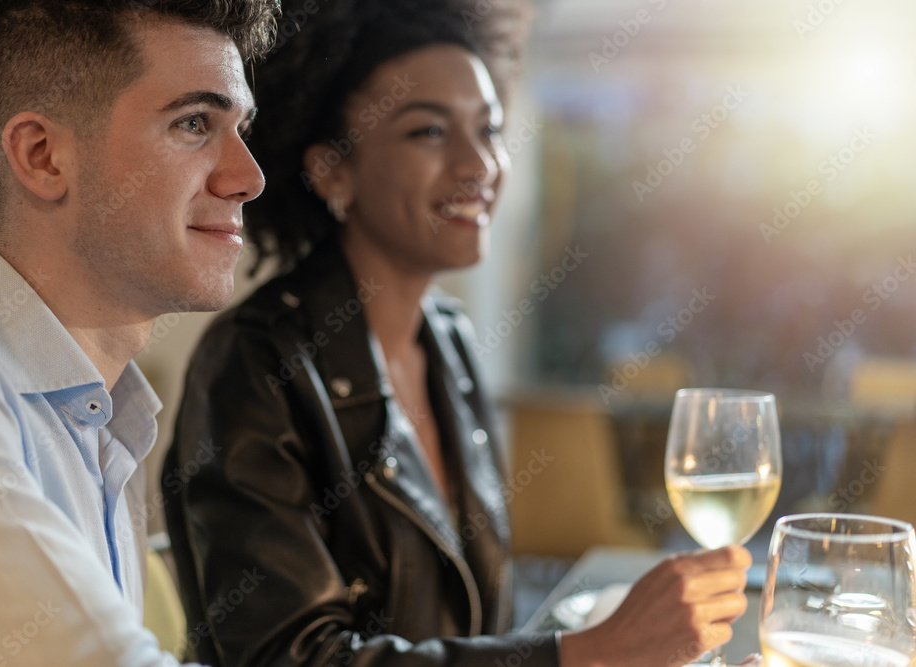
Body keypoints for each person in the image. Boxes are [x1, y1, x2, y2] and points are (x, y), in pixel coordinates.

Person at [165, 1, 754, 666]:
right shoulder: (254, 362)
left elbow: (475, 615)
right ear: (333, 169)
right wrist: (579, 653)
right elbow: (292, 657)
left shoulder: (447, 339)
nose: (479, 163)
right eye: (429, 133)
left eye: (490, 129)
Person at [0, 1, 275, 664]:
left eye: (241, 127)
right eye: (194, 123)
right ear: (43, 155)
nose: (248, 178)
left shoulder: (107, 419)